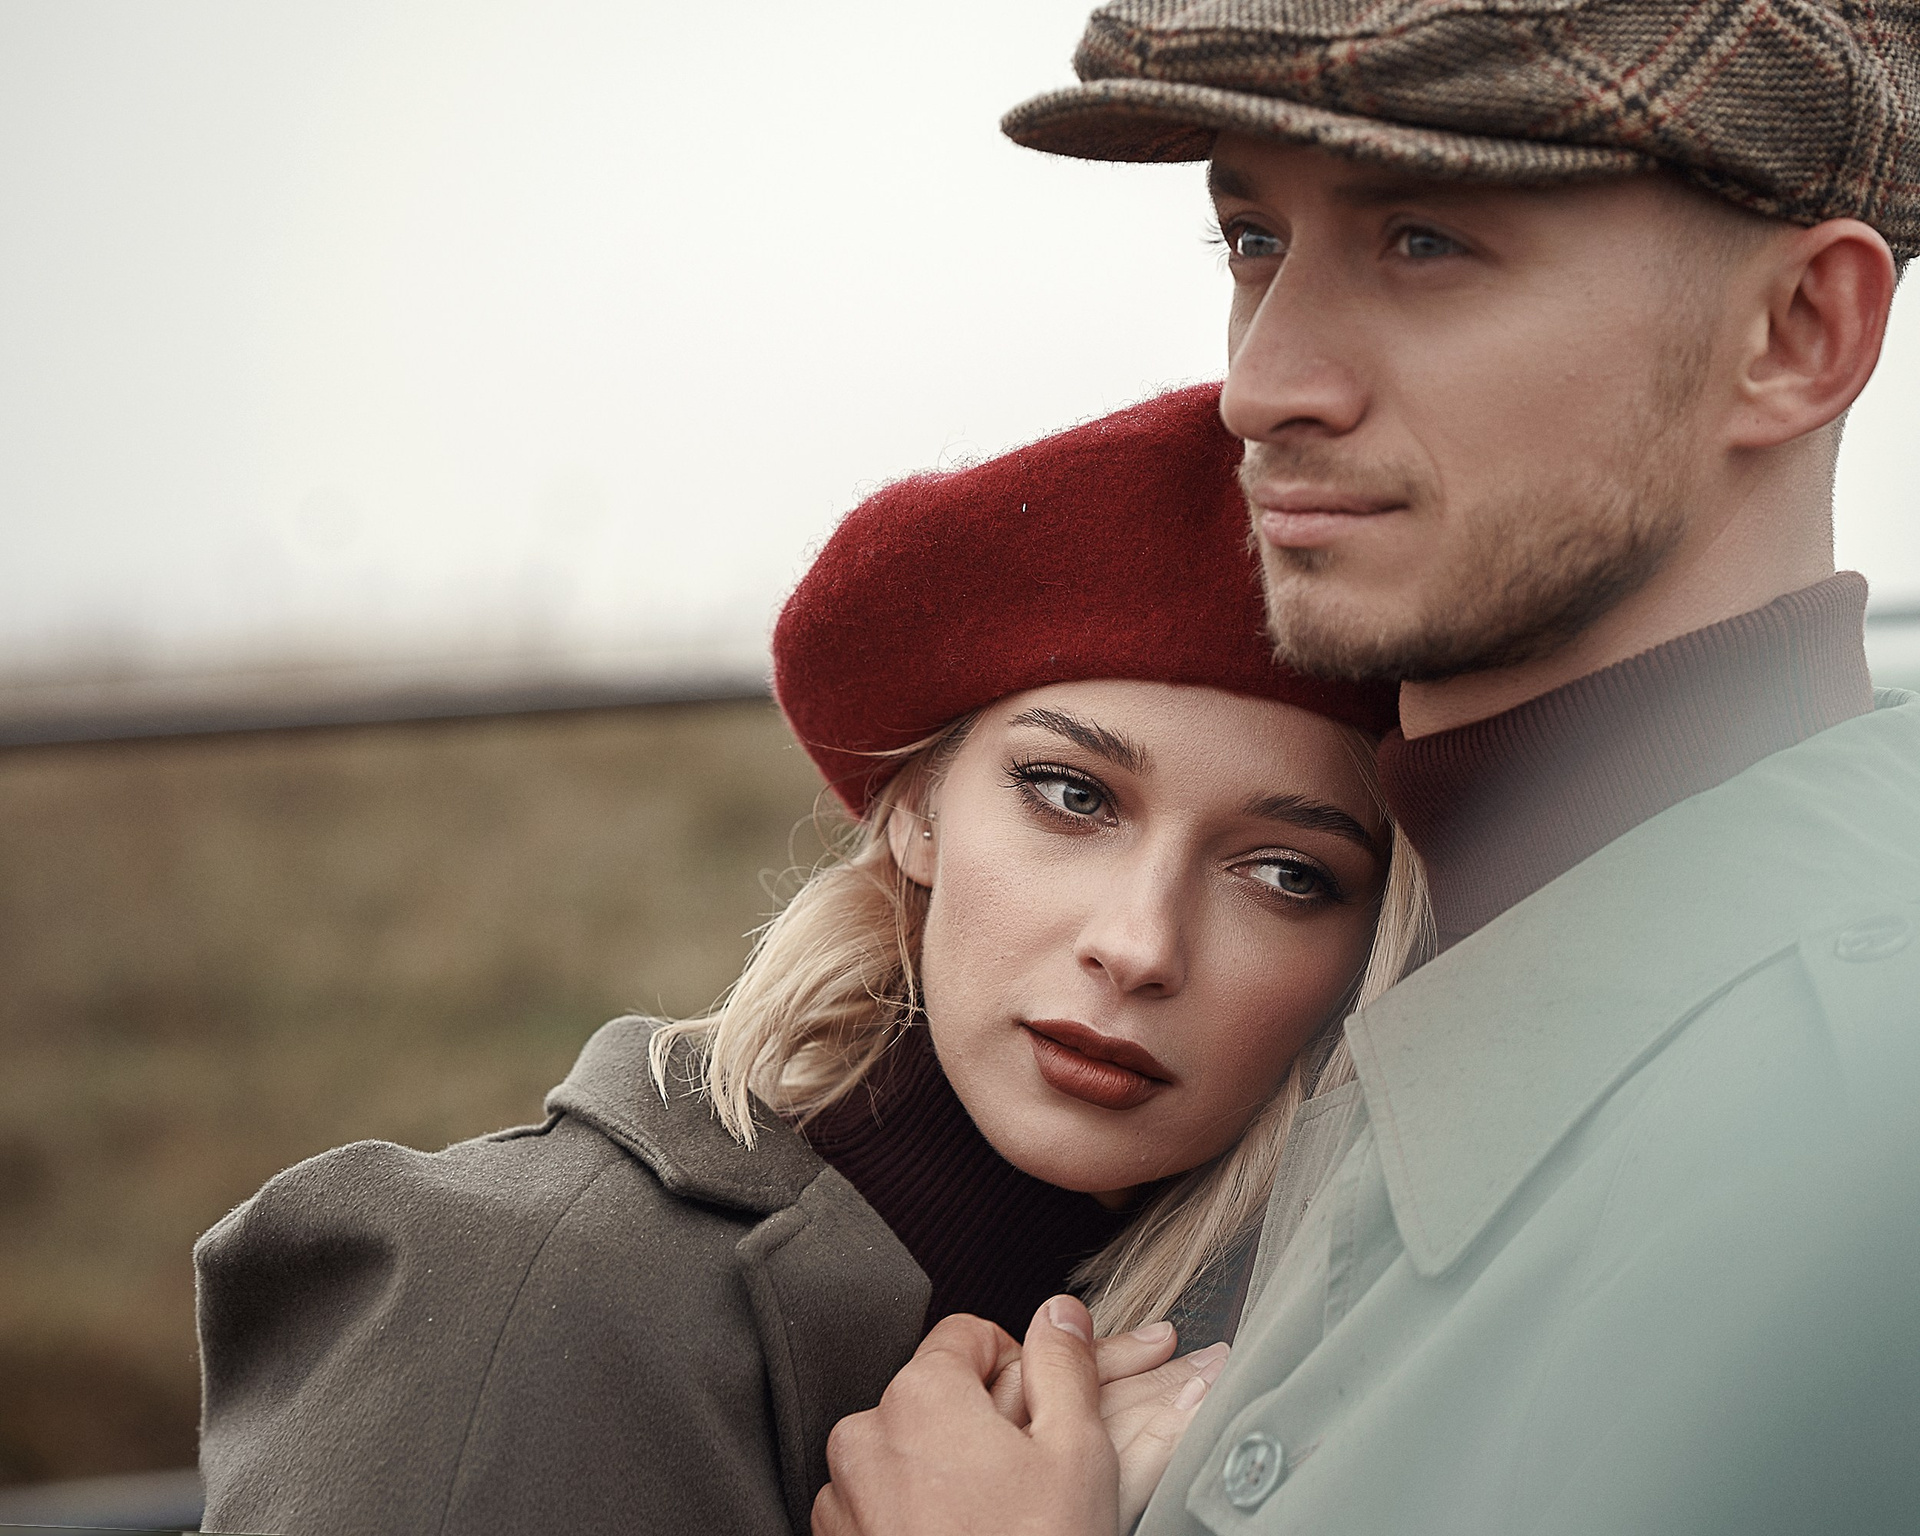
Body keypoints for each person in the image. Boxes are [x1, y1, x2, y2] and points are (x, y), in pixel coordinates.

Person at [813, 4, 1920, 1534]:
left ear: (1797, 334)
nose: (1262, 387)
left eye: (1425, 243)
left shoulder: (1857, 1121)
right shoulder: (1337, 998)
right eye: (1254, 240)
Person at [192, 386, 1431, 1535]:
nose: (1140, 946)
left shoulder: (1346, 1356)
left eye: (1287, 873)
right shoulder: (520, 1294)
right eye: (1070, 794)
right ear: (919, 809)